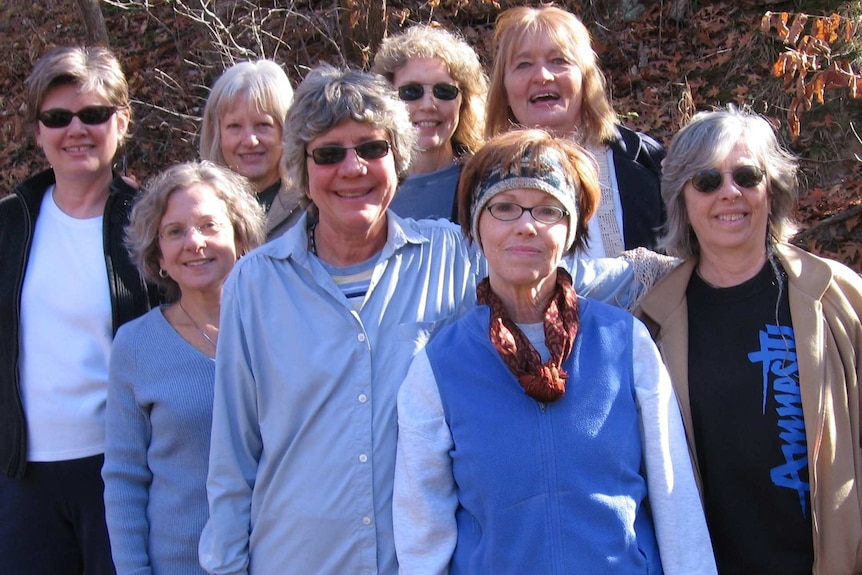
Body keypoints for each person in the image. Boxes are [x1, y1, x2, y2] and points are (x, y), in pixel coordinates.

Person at [198, 64, 658, 575]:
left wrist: (694, 262)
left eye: (372, 149)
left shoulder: (451, 253)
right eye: (330, 153)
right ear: (302, 169)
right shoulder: (255, 284)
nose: (353, 169)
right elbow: (233, 460)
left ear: (398, 160)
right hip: (294, 561)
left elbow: (558, 266)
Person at [393, 128, 715, 574]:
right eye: (503, 208)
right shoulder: (440, 367)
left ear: (572, 231)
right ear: (475, 225)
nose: (526, 225)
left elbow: (675, 501)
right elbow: (421, 537)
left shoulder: (625, 343)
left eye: (548, 209)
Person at [636, 106, 862, 574]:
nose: (729, 193)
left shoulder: (839, 298)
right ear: (682, 198)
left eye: (746, 175)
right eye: (706, 181)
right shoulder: (652, 325)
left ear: (771, 189)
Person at [0, 46, 158, 575]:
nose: (76, 130)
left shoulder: (155, 224)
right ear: (38, 129)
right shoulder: (8, 225)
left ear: (122, 121)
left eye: (93, 114)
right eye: (57, 117)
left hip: (121, 472)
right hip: (22, 477)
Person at [102, 161, 265, 575]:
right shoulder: (135, 346)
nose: (194, 242)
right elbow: (124, 480)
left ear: (241, 237)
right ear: (158, 254)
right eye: (175, 231)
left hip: (278, 557)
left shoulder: (279, 331)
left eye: (210, 225)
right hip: (177, 564)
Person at [485, 5, 665, 258]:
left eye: (559, 61)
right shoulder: (479, 176)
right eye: (523, 64)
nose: (543, 76)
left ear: (585, 77)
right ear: (503, 90)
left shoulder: (645, 162)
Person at [372, 24, 487, 222]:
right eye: (411, 91)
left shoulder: (487, 182)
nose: (428, 105)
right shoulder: (365, 184)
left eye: (444, 91)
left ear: (464, 102)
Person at [199, 59, 305, 235]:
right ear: (216, 133)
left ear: (286, 129)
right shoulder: (198, 209)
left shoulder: (313, 209)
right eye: (234, 126)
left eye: (263, 125)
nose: (250, 141)